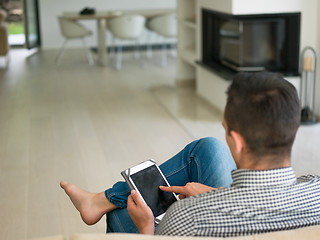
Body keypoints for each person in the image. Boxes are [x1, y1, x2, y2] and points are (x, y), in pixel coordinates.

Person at [60, 71, 320, 237]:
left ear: (238, 142)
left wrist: (146, 230)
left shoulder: (187, 219)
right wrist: (213, 194)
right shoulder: (316, 191)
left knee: (123, 213)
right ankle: (100, 200)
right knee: (208, 148)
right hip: (246, 202)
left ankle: (104, 204)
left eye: (226, 131)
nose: (226, 137)